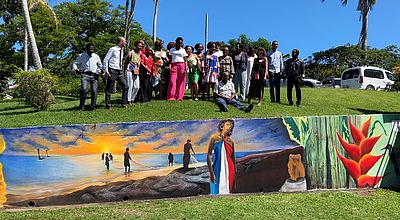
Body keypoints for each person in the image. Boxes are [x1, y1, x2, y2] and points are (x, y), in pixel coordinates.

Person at [207, 119, 236, 195]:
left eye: (231, 127)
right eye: (227, 125)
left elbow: (233, 157)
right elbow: (209, 155)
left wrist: (235, 171)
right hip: (217, 166)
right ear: (222, 125)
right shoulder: (214, 138)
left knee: (228, 190)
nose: (229, 128)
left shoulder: (230, 141)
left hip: (229, 168)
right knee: (215, 190)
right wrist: (211, 172)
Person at [72, 43, 103, 111]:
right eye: (89, 49)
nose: (91, 50)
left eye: (92, 49)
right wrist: (76, 69)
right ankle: (82, 106)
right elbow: (75, 63)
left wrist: (102, 71)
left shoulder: (96, 56)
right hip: (85, 74)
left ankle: (93, 107)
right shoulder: (81, 56)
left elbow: (100, 65)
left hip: (94, 75)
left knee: (94, 91)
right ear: (86, 49)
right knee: (84, 89)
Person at [103, 37, 129, 110]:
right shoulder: (113, 49)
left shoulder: (122, 50)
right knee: (109, 88)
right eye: (124, 41)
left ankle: (124, 103)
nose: (125, 43)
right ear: (120, 42)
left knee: (125, 86)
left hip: (119, 71)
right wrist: (106, 70)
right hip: (113, 70)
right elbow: (106, 60)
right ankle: (108, 104)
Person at [167, 37, 187, 102]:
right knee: (172, 81)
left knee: (181, 81)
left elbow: (185, 59)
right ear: (176, 42)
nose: (180, 44)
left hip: (182, 65)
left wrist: (186, 67)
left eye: (181, 43)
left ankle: (179, 97)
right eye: (178, 42)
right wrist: (170, 65)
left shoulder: (183, 50)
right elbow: (170, 58)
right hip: (174, 65)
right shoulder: (172, 50)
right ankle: (171, 97)